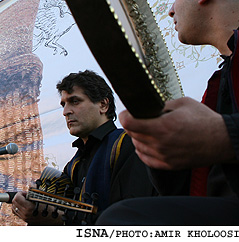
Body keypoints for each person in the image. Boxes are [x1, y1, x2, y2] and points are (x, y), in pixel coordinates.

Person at [97, 0, 239, 225]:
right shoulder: (219, 81)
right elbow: (190, 191)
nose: (171, 10)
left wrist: (226, 136)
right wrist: (159, 153)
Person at [12, 70, 156, 225]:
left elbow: (135, 218)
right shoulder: (73, 165)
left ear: (103, 105)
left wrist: (60, 220)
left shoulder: (130, 144)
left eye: (75, 101)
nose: (66, 112)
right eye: (63, 104)